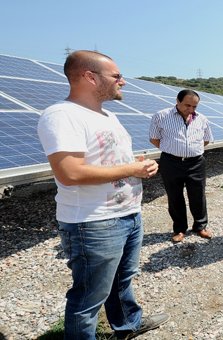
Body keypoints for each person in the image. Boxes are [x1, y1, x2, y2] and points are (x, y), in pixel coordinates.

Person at [37, 50, 168, 339]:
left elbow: (111, 161)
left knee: (122, 281)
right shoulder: (62, 116)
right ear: (89, 77)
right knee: (87, 299)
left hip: (127, 214)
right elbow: (69, 173)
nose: (123, 81)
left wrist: (140, 165)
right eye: (116, 76)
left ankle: (128, 326)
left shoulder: (108, 116)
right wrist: (130, 168)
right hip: (93, 223)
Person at [150, 89, 214, 243]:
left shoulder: (202, 119)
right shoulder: (161, 116)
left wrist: (191, 151)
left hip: (196, 162)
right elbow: (154, 138)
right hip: (171, 162)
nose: (191, 110)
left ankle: (200, 226)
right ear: (177, 101)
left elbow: (206, 140)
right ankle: (179, 229)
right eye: (187, 105)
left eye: (194, 107)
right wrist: (174, 150)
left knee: (198, 195)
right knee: (174, 196)